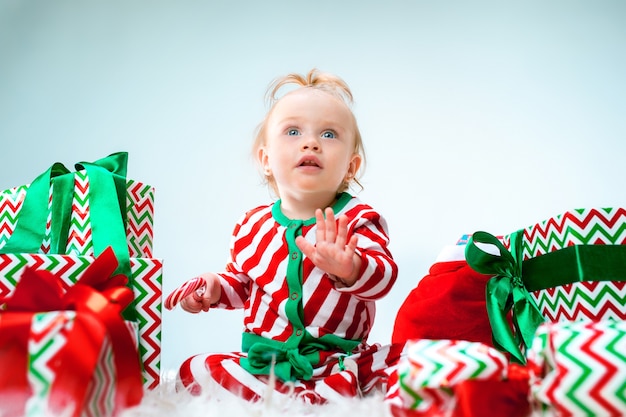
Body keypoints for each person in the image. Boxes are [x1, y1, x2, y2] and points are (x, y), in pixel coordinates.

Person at [168, 68, 404, 404]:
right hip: (269, 365)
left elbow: (385, 278)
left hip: (340, 360)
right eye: (293, 131)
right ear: (266, 160)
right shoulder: (251, 226)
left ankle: (322, 393)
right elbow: (243, 286)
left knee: (411, 362)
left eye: (329, 134)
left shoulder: (358, 220)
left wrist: (350, 268)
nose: (311, 142)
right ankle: (296, 398)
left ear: (351, 167)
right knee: (196, 370)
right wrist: (213, 287)